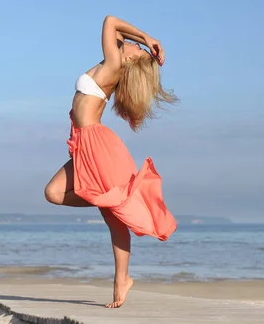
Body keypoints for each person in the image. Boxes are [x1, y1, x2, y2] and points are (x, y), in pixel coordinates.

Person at [44, 15, 178, 308]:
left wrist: (147, 39)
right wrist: (142, 43)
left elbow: (110, 21)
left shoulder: (115, 64)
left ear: (130, 60)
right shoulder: (116, 59)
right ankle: (110, 205)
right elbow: (117, 31)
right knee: (55, 194)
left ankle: (122, 279)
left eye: (137, 50)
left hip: (96, 143)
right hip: (85, 142)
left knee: (112, 216)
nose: (133, 45)